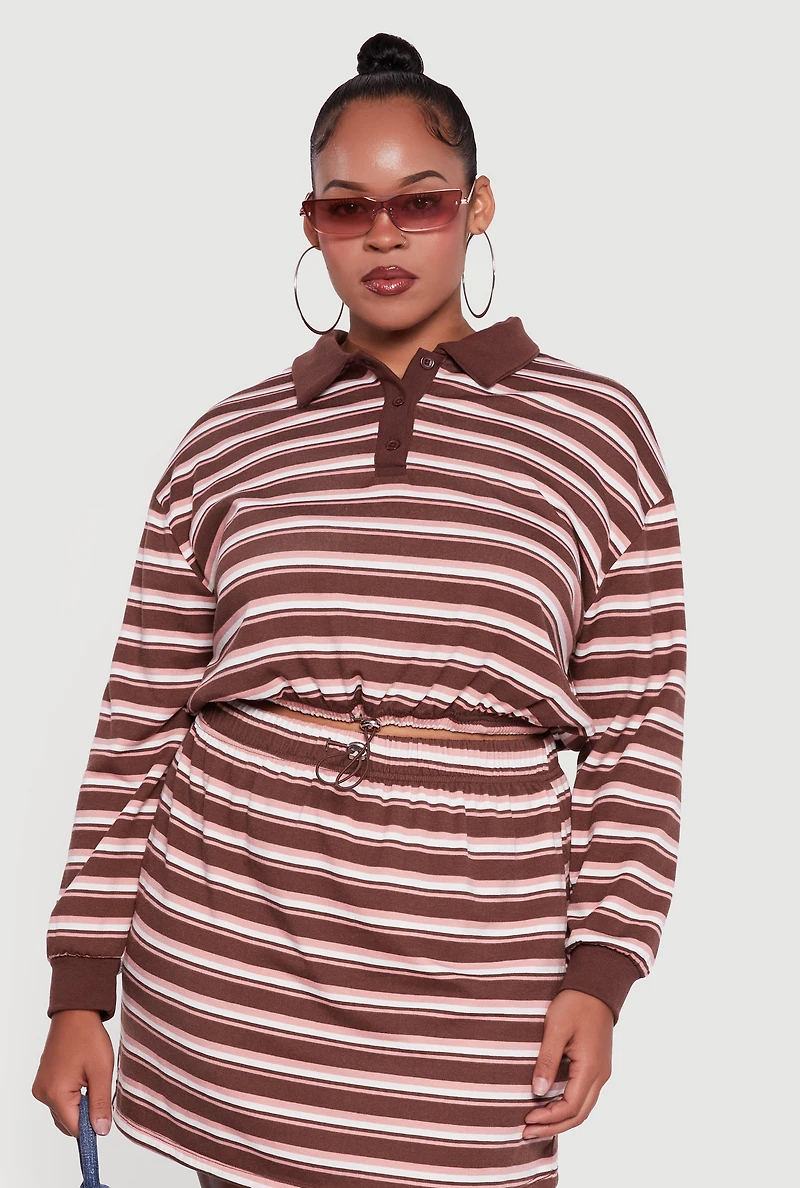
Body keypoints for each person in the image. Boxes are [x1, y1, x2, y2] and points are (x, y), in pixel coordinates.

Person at [32, 30, 687, 1188]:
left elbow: (636, 733)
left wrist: (600, 971)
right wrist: (80, 989)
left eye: (419, 201)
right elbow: (138, 721)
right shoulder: (229, 442)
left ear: (477, 206)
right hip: (229, 955)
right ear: (310, 223)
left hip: (473, 971)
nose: (383, 235)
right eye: (347, 208)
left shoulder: (594, 434)